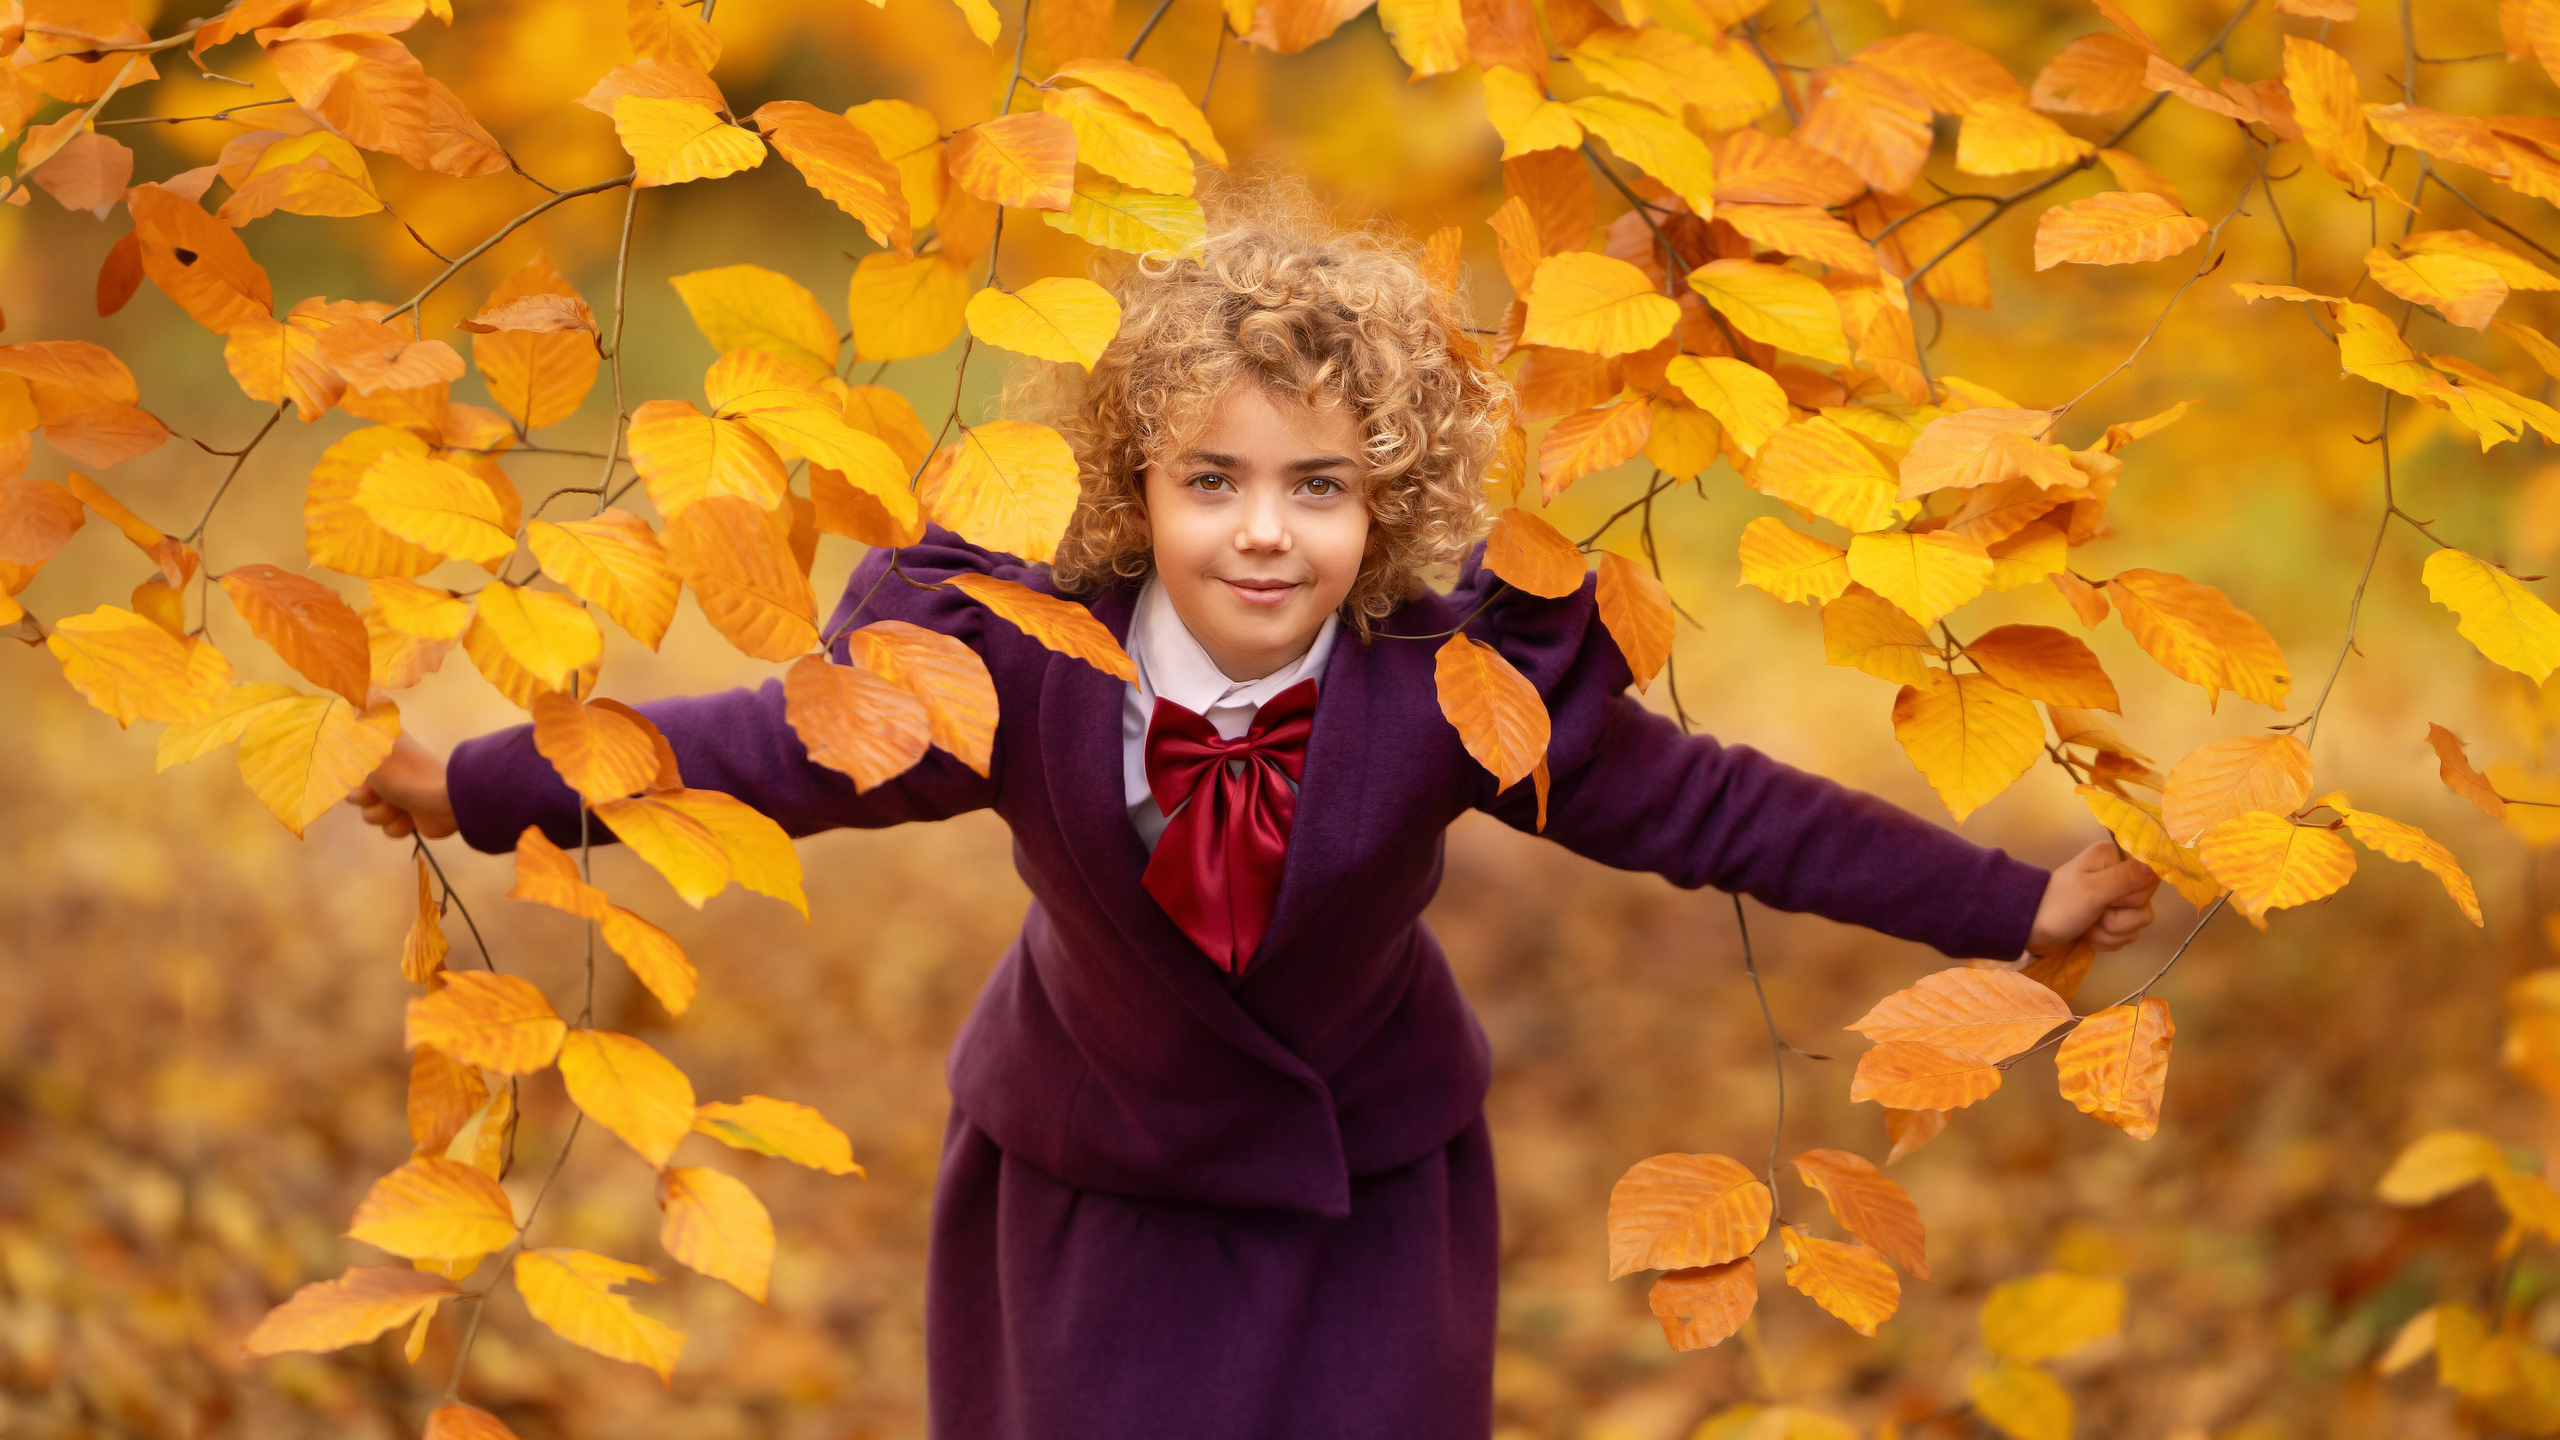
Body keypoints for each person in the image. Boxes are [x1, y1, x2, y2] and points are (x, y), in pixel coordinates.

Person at [352, 192, 2158, 1440]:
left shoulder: (1450, 692)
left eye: (1320, 487)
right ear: (1140, 486)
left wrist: (2015, 908)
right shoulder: (1029, 669)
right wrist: (474, 781)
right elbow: (764, 750)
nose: (1265, 533)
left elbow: (1717, 809)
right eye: (1214, 482)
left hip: (1362, 1196)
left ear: (1390, 508)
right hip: (1093, 1188)